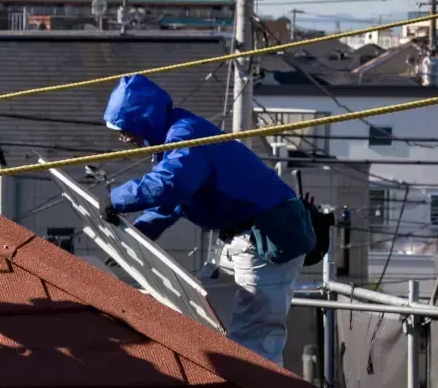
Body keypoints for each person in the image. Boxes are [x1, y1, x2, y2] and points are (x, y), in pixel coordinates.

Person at [102, 73, 315, 364]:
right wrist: (139, 232)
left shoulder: (185, 137)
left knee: (255, 340)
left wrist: (116, 199)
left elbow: (170, 185)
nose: (124, 137)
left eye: (125, 128)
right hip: (246, 235)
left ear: (142, 118)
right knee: (212, 311)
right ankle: (237, 384)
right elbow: (176, 199)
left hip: (265, 236)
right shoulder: (176, 137)